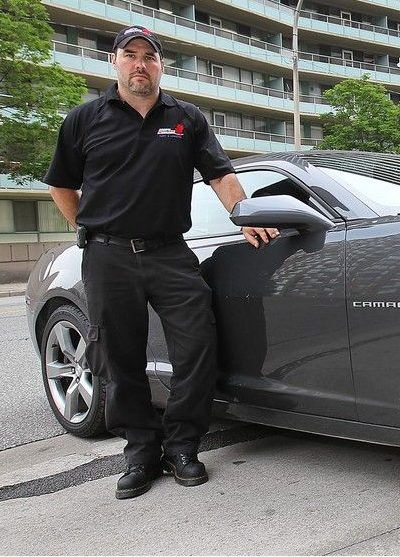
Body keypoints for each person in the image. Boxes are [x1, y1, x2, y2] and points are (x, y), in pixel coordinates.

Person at [43, 26, 278, 500]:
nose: (140, 64)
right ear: (115, 62)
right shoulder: (84, 119)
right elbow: (61, 185)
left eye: (149, 56)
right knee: (120, 357)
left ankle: (184, 448)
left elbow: (220, 174)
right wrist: (89, 230)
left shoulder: (186, 118)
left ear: (160, 65)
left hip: (171, 253)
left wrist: (245, 216)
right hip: (108, 256)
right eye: (130, 55)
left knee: (196, 347)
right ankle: (140, 452)